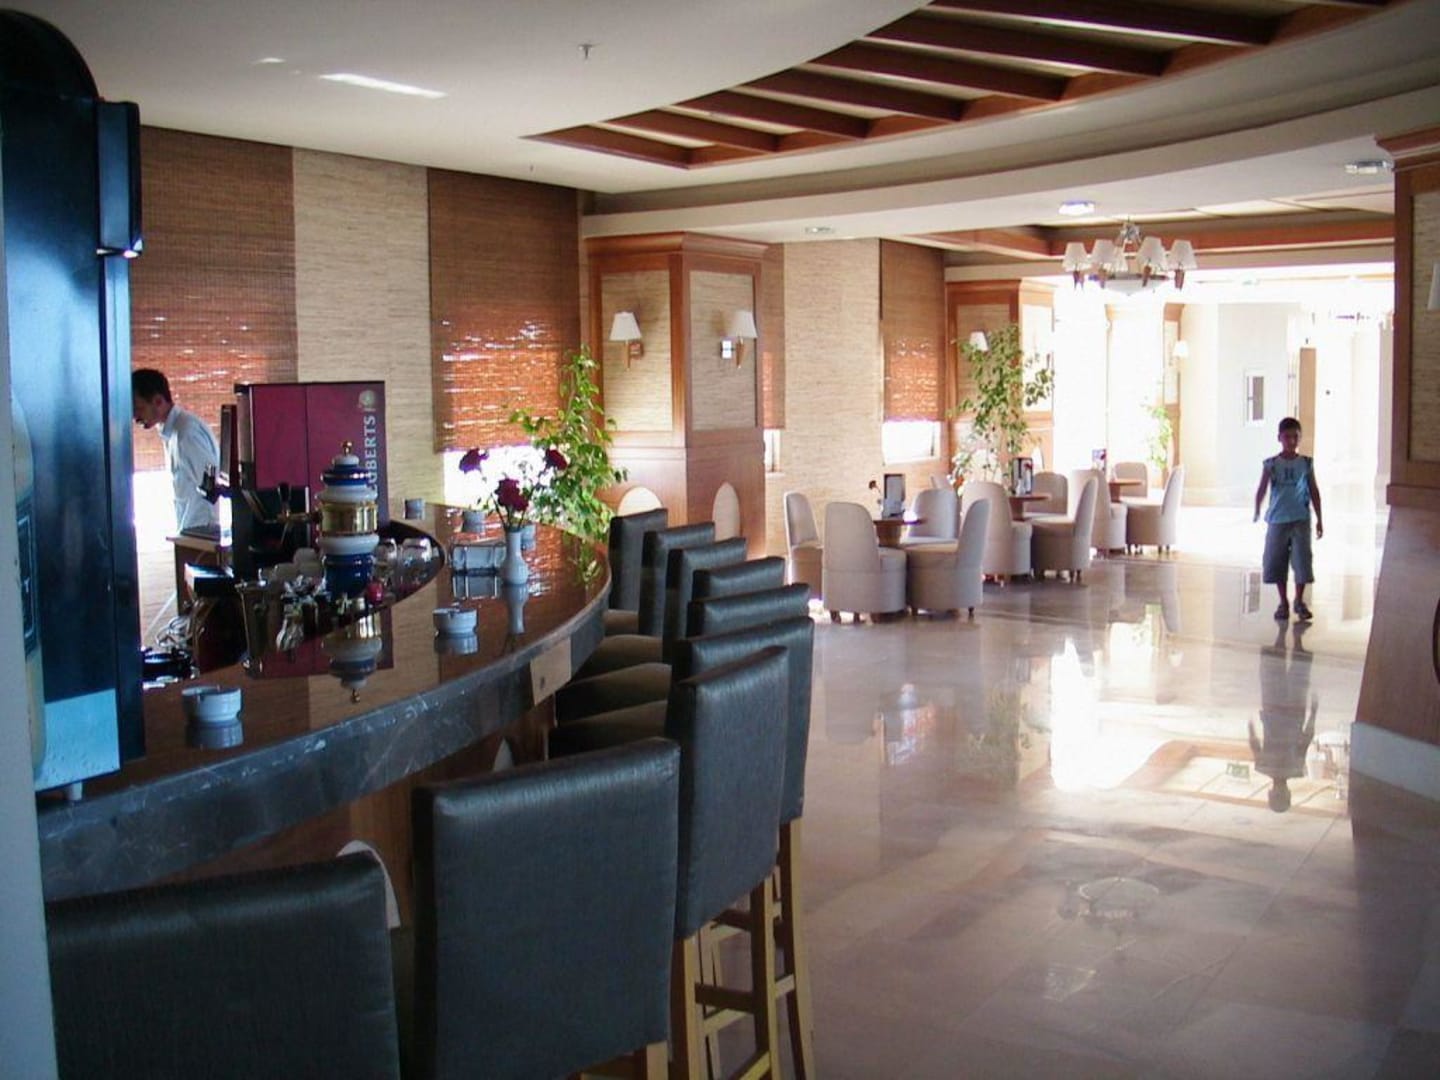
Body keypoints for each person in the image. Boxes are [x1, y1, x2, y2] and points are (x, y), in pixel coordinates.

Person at [132, 368, 219, 532]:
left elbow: (210, 485)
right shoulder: (173, 431)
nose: (135, 417)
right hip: (191, 528)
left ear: (158, 401)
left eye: (138, 408)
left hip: (201, 529)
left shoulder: (186, 432)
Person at [1253, 416, 1323, 621]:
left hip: (1300, 518)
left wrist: (1319, 518)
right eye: (1287, 437)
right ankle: (1283, 601)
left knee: (1302, 560)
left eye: (1295, 437)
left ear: (1300, 438)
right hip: (1277, 519)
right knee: (1277, 560)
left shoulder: (1306, 464)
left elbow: (1314, 490)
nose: (1291, 441)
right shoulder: (1271, 464)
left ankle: (1299, 600)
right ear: (1279, 438)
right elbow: (1262, 488)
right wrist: (1257, 508)